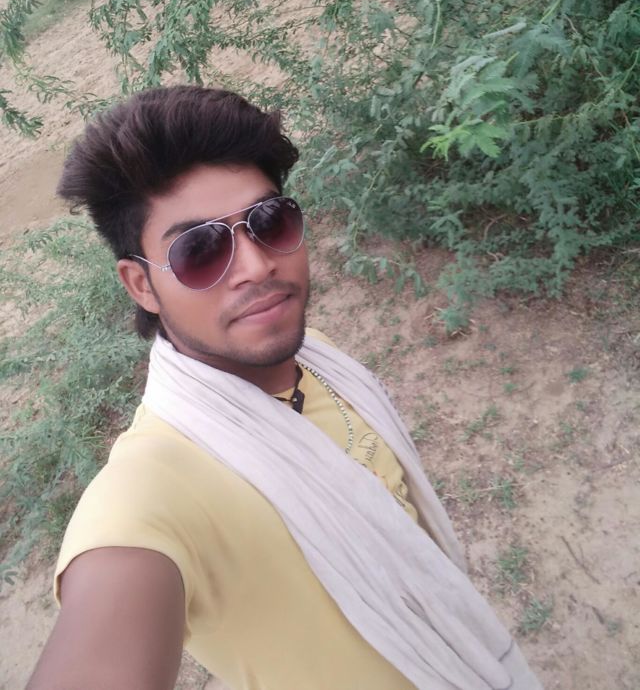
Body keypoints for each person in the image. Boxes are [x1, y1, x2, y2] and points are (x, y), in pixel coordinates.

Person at [27, 86, 542, 690]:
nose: (256, 266)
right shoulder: (153, 488)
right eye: (199, 250)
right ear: (141, 286)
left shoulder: (317, 357)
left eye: (269, 222)